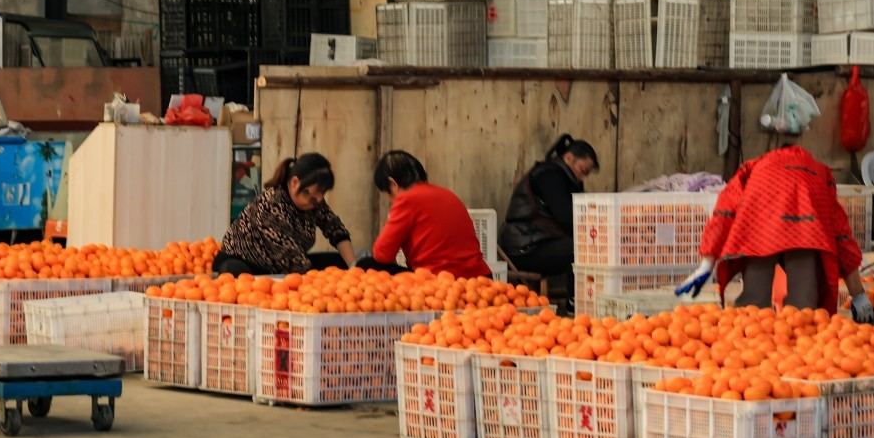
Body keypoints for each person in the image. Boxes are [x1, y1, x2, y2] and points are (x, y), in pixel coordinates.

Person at [675, 142, 874, 323]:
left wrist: (706, 264)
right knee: (803, 308)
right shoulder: (818, 173)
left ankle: (749, 342)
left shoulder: (754, 168)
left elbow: (724, 212)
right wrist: (857, 293)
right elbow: (841, 234)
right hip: (804, 228)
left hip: (761, 225)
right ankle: (799, 346)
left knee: (752, 306)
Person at [213, 153, 356, 275]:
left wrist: (354, 268)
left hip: (281, 266)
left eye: (322, 193)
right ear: (295, 183)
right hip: (248, 266)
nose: (318, 200)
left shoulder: (314, 201)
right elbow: (293, 261)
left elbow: (335, 228)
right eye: (313, 195)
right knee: (234, 273)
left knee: (338, 262)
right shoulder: (272, 205)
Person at [499, 133, 599, 296]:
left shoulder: (567, 179)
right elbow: (567, 218)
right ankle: (576, 302)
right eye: (582, 170)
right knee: (582, 248)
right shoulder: (549, 176)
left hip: (540, 241)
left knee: (587, 245)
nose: (583, 177)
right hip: (524, 247)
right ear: (568, 158)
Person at [365, 151, 491, 279]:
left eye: (389, 196)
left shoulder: (406, 199)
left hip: (440, 282)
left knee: (366, 264)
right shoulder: (448, 195)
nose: (391, 201)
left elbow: (381, 254)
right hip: (481, 278)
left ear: (393, 184)